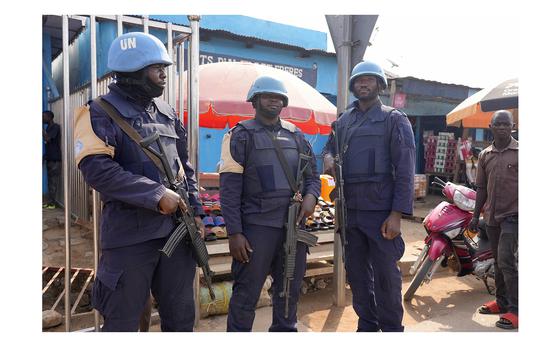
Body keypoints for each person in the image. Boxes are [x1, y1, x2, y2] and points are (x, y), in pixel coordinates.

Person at [74, 32, 204, 332]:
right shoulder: (99, 112)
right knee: (123, 322)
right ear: (133, 69)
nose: (163, 74)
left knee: (181, 319)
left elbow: (184, 167)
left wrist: (196, 212)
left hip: (176, 234)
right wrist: (156, 193)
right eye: (156, 67)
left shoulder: (168, 114)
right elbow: (96, 170)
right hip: (129, 239)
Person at [218, 75, 321, 331]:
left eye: (278, 98)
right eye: (267, 96)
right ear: (255, 100)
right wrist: (235, 233)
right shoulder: (239, 136)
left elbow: (313, 177)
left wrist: (311, 197)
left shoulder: (297, 136)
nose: (273, 101)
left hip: (293, 228)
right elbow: (229, 190)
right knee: (246, 295)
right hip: (256, 229)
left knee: (288, 293)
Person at [322, 60, 415, 332]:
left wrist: (397, 214)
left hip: (382, 215)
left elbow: (406, 171)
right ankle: (367, 327)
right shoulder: (343, 121)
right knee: (359, 277)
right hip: (350, 214)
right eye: (359, 80)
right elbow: (327, 149)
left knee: (386, 278)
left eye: (369, 80)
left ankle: (391, 330)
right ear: (352, 85)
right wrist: (328, 158)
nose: (363, 84)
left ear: (379, 85)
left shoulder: (393, 119)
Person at [469, 110, 518, 330]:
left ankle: (516, 310)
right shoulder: (485, 155)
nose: (502, 128)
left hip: (513, 216)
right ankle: (501, 302)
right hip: (491, 217)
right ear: (490, 126)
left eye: (506, 124)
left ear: (513, 126)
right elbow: (480, 188)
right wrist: (475, 215)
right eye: (497, 124)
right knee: (498, 262)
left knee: (507, 262)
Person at [43, 110, 61, 209]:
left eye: (43, 117)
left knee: (53, 181)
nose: (42, 119)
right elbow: (49, 145)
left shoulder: (55, 127)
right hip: (50, 158)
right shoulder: (48, 128)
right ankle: (50, 201)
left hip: (55, 159)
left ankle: (53, 203)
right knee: (50, 181)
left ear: (50, 117)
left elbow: (48, 139)